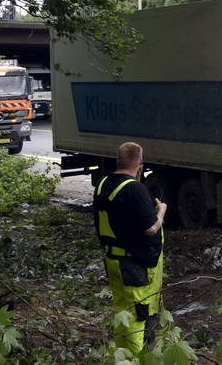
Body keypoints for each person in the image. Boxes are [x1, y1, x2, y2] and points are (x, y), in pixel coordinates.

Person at [93, 142, 167, 352]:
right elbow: (151, 228)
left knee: (122, 312)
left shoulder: (103, 183)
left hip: (113, 260)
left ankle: (120, 355)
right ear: (140, 164)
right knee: (137, 314)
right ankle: (136, 358)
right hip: (134, 266)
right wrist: (161, 211)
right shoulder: (135, 188)